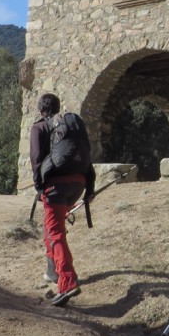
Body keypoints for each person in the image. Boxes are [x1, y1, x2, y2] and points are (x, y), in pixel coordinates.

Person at [30, 93, 96, 307]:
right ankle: (52, 272)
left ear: (41, 110)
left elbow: (36, 159)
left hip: (56, 186)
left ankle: (66, 282)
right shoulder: (68, 125)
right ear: (57, 107)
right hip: (78, 183)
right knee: (52, 228)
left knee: (55, 231)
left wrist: (40, 187)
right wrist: (90, 187)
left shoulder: (40, 127)